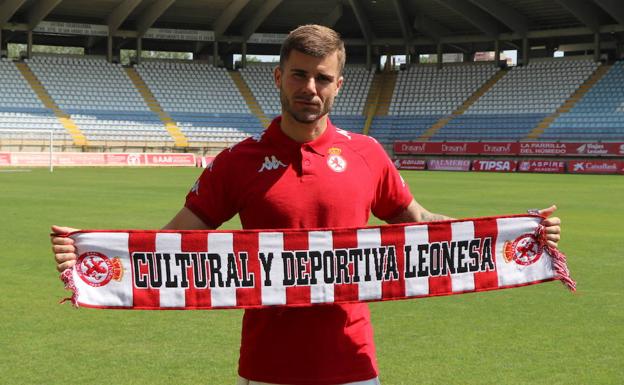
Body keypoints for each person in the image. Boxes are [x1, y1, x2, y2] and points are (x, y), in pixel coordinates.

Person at [51, 24, 562, 385]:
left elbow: (423, 226)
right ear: (278, 78)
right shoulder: (236, 162)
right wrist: (97, 257)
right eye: (299, 75)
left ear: (339, 84)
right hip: (269, 366)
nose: (309, 88)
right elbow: (176, 241)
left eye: (322, 78)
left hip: (353, 363)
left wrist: (515, 236)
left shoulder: (367, 154)